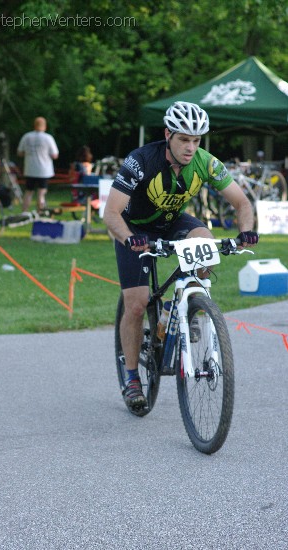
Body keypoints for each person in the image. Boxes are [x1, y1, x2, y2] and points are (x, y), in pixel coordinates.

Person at [103, 101, 259, 411]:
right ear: (168, 135)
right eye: (184, 139)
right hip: (134, 229)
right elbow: (111, 213)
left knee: (207, 245)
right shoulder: (141, 160)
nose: (190, 147)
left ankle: (191, 307)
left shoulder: (205, 163)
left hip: (172, 221)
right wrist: (129, 238)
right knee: (135, 305)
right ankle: (133, 377)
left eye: (196, 140)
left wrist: (246, 232)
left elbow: (242, 203)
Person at [17, 117, 59, 212]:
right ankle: (40, 212)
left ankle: (24, 212)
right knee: (41, 193)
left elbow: (20, 152)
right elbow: (55, 155)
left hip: (30, 169)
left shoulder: (26, 137)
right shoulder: (48, 138)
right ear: (44, 126)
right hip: (44, 170)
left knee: (28, 192)